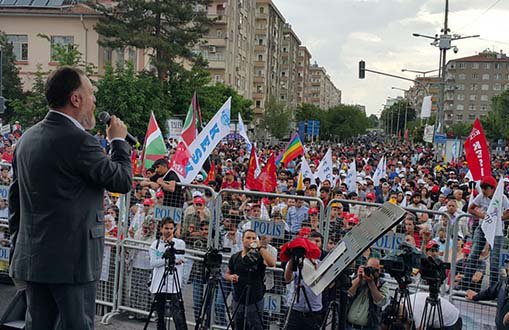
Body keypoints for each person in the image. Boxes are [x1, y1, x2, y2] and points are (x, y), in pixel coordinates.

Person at [8, 66, 132, 329]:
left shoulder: (27, 138)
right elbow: (122, 180)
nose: (94, 101)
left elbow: (15, 201)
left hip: (33, 259)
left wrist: (18, 245)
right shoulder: (79, 141)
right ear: (76, 99)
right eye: (90, 93)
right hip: (72, 265)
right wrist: (119, 143)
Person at [224, 229, 276, 330]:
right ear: (243, 240)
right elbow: (227, 273)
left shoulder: (259, 256)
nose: (251, 240)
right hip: (238, 299)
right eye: (248, 238)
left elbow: (271, 263)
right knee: (238, 325)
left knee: (255, 326)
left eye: (253, 238)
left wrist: (260, 247)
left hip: (255, 300)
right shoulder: (235, 257)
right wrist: (231, 277)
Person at [465, 175, 509, 287]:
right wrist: (482, 215)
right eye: (482, 188)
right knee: (473, 254)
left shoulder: (502, 198)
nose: (483, 190)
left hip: (497, 231)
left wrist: (498, 219)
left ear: (493, 188)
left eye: (486, 188)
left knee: (494, 261)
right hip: (482, 228)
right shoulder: (481, 196)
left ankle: (493, 289)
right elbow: (470, 208)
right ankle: (466, 283)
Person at [149, 218, 186, 330]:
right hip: (159, 283)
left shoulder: (179, 243)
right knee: (160, 315)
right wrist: (167, 261)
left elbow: (180, 259)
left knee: (178, 314)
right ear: (161, 229)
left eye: (171, 228)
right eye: (166, 228)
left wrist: (170, 259)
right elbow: (153, 263)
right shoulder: (155, 244)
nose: (168, 231)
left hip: (174, 284)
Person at [284, 237, 323, 330]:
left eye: (317, 242)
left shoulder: (321, 264)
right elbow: (287, 279)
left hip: (313, 311)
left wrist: (313, 265)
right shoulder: (296, 264)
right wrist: (292, 259)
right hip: (295, 310)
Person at [346, 257, 388, 330]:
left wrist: (371, 283)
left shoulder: (382, 284)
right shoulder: (358, 279)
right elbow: (348, 293)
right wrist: (359, 278)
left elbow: (381, 302)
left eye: (375, 269)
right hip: (349, 326)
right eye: (369, 268)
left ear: (379, 271)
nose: (371, 271)